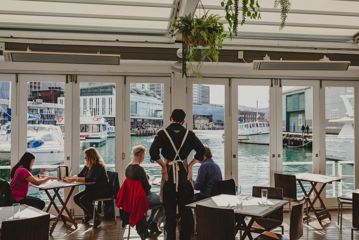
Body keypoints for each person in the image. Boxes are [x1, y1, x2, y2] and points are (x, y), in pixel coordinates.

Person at [150, 109, 205, 240]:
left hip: (168, 175)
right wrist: (190, 166)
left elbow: (153, 152)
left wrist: (163, 166)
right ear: (184, 121)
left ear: (170, 118)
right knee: (185, 212)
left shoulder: (162, 133)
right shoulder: (189, 134)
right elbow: (201, 151)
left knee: (169, 213)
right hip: (184, 177)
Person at [64, 147, 111, 227]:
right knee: (76, 198)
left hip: (102, 190)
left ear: (91, 157)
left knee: (83, 199)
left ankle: (97, 218)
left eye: (86, 156)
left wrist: (75, 179)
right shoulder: (88, 166)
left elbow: (90, 179)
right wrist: (70, 178)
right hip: (92, 189)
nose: (84, 158)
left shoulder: (98, 166)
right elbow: (80, 175)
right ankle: (88, 215)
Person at [125, 145, 164, 239]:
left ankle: (151, 223)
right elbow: (147, 188)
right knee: (165, 201)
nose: (144, 157)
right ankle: (153, 222)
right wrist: (150, 181)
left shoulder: (128, 168)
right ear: (141, 155)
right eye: (144, 155)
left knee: (158, 197)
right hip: (144, 198)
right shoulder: (139, 169)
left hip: (134, 199)